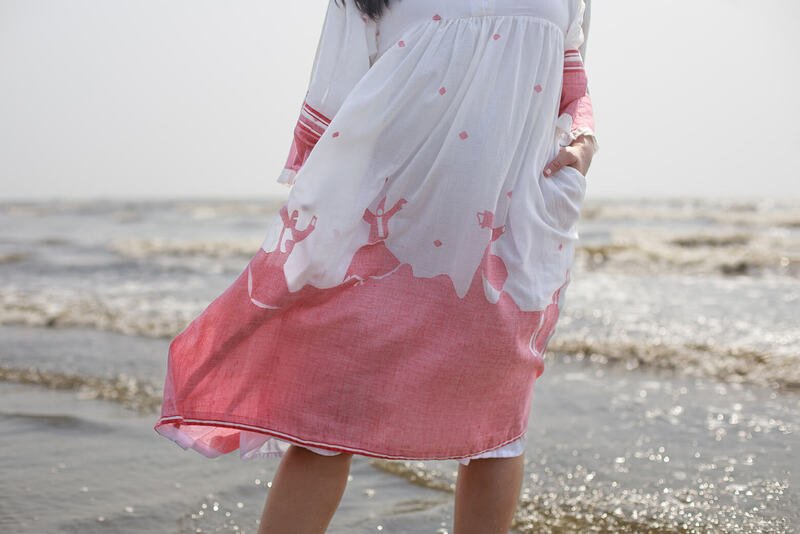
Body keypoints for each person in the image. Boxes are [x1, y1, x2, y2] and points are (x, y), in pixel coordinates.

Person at [154, 0, 598, 532]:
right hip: (384, 226)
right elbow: (335, 97)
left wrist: (584, 144)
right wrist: (319, 226)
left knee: (495, 427)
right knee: (326, 419)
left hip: (510, 232)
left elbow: (572, 77)